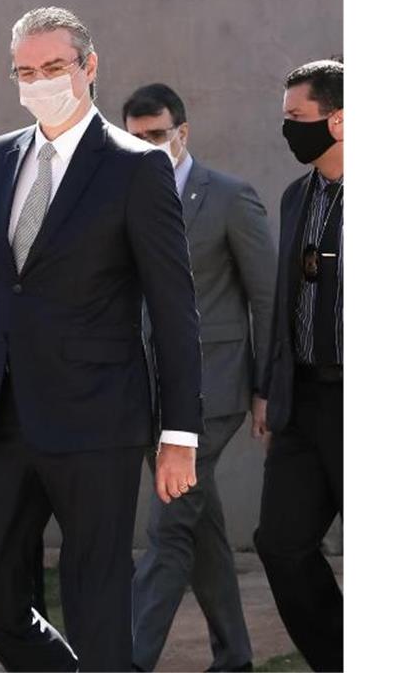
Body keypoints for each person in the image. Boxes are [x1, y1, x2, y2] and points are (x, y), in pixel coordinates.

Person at [0, 6, 202, 672]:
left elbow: (175, 311)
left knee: (96, 604)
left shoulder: (136, 167)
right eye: (25, 71)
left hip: (99, 420)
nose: (40, 81)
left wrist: (180, 434)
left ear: (89, 67)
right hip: (3, 417)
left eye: (54, 67)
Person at [124, 83, 275, 672]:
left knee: (167, 532)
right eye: (136, 139)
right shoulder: (124, 197)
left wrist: (266, 388)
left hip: (213, 392)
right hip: (147, 393)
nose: (148, 146)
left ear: (182, 133)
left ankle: (126, 661)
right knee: (199, 524)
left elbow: (267, 297)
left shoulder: (231, 199)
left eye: (157, 135)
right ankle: (234, 657)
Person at [255, 59, 344, 672]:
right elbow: (285, 300)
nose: (287, 130)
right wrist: (269, 390)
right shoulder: (297, 197)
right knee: (282, 545)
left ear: (339, 119)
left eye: (297, 118)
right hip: (305, 401)